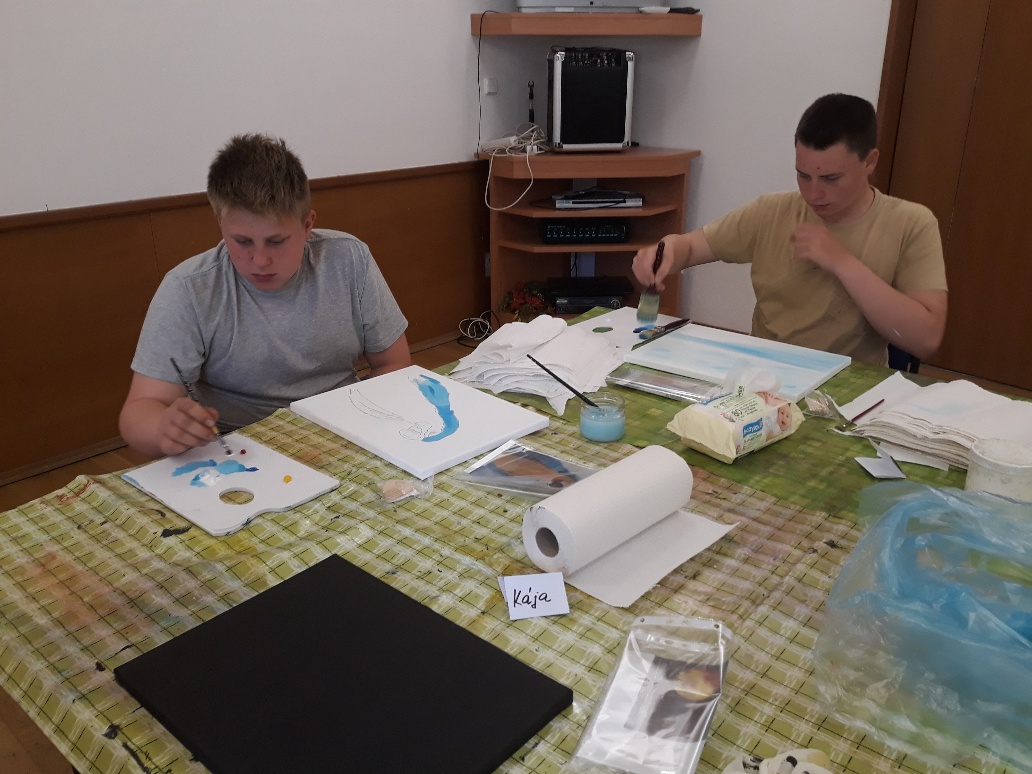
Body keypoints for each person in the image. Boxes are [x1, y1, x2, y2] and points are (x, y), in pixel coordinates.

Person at [119, 133, 411, 458]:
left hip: (341, 426)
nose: (260, 261)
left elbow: (395, 363)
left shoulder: (348, 259)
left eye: (276, 241)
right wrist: (162, 428)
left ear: (307, 225)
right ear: (220, 223)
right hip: (235, 447)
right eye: (242, 241)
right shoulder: (189, 288)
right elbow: (140, 409)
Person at [632, 93, 948, 367]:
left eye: (830, 179)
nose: (813, 194)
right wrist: (664, 252)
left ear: (870, 162)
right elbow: (690, 247)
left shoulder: (911, 223)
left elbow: (926, 339)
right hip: (763, 375)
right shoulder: (772, 211)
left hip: (848, 385)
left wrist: (841, 262)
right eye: (803, 175)